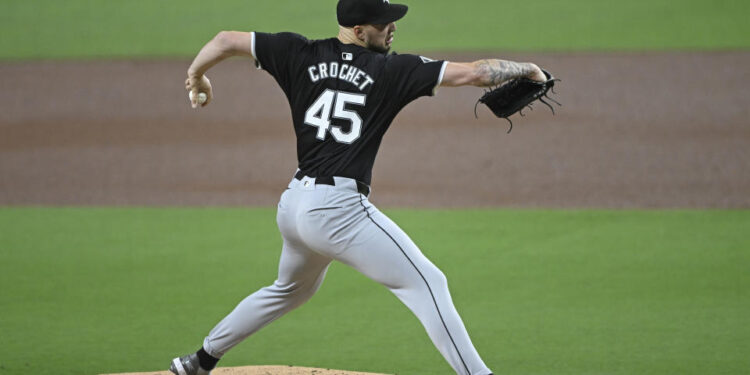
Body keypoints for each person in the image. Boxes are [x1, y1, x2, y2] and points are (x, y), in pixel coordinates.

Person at [172, 1, 545, 374]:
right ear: (359, 30)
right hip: (337, 211)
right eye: (384, 23)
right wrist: (528, 69)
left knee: (290, 290)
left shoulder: (296, 52)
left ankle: (199, 361)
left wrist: (196, 75)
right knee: (428, 283)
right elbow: (476, 74)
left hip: (294, 205)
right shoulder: (391, 69)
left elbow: (224, 41)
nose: (392, 28)